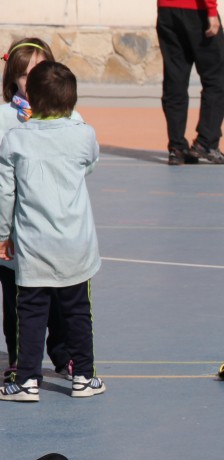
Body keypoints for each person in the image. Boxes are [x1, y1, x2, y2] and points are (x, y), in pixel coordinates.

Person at [0, 61, 104, 402]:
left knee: (30, 314)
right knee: (78, 312)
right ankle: (84, 377)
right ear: (71, 99)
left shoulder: (15, 140)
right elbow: (90, 163)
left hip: (33, 246)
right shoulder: (83, 133)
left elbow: (5, 193)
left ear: (30, 97)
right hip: (76, 245)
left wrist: (3, 235)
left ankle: (27, 381)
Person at [0, 38, 76, 383]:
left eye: (38, 71)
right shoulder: (5, 118)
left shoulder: (69, 118)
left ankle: (64, 355)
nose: (30, 80)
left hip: (55, 228)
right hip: (17, 230)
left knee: (62, 297)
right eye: (23, 74)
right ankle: (21, 360)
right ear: (12, 79)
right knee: (17, 300)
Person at [156, 0, 224, 165]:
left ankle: (177, 147)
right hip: (196, 10)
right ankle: (206, 142)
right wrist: (211, 10)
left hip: (166, 10)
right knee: (217, 77)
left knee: (175, 78)